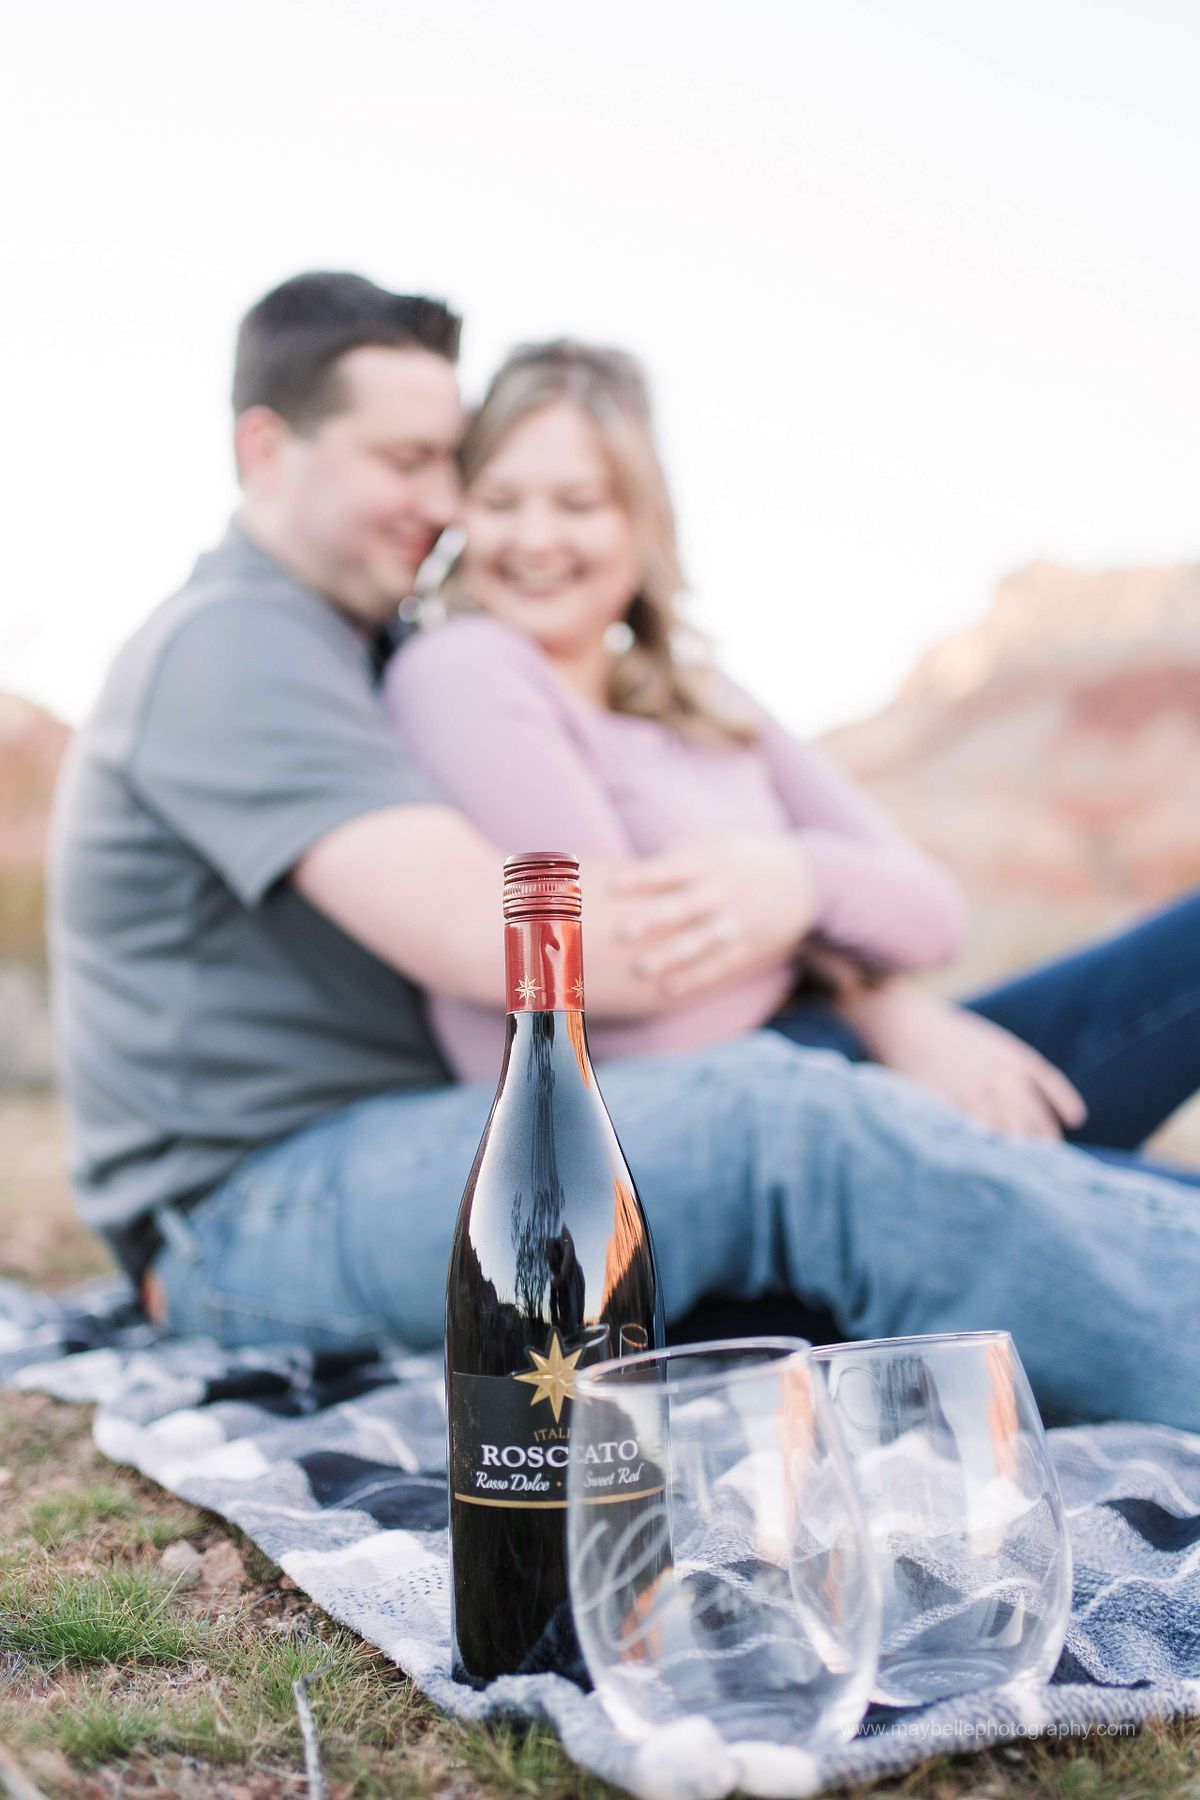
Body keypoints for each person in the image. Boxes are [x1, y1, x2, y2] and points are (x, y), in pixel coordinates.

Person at [48, 272, 1200, 1434]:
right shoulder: (235, 648)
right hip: (252, 1212)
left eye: (452, 461)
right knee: (787, 1121)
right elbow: (547, 954)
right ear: (267, 449)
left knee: (889, 1132)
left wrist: (846, 961)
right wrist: (825, 939)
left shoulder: (363, 636)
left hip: (435, 1145)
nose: (446, 504)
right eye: (407, 464)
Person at [384, 339, 1200, 1177]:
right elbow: (629, 966)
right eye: (501, 500)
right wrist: (846, 963)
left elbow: (930, 915)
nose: (535, 538)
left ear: (641, 519)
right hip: (716, 1138)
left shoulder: (703, 695)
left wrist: (798, 887)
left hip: (845, 1062)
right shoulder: (466, 668)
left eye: (578, 503)